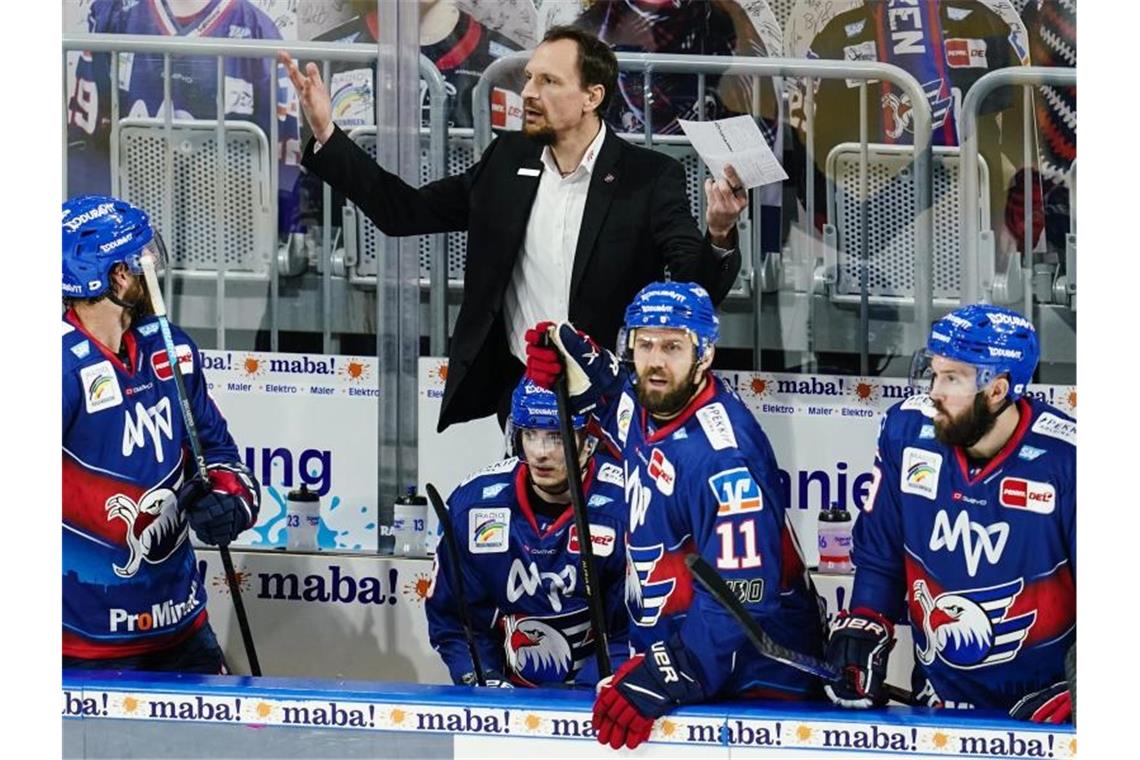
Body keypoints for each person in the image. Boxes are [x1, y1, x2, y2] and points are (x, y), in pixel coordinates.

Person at [280, 25, 748, 432]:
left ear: (592, 97)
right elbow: (404, 211)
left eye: (548, 81)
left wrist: (720, 232)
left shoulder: (648, 177)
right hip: (523, 392)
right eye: (529, 79)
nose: (528, 93)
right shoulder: (506, 161)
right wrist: (327, 134)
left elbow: (695, 289)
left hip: (613, 398)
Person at [525, 282, 825, 750]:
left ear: (704, 355)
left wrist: (664, 676)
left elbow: (741, 601)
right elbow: (617, 401)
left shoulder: (723, 460)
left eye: (672, 346)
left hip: (755, 687)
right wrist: (572, 366)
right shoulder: (653, 407)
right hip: (691, 664)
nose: (655, 361)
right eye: (644, 344)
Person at [824, 303, 1075, 723]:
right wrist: (867, 620)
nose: (934, 391)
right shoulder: (906, 433)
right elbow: (880, 556)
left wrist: (1079, 692)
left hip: (1042, 713)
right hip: (936, 709)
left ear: (997, 389)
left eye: (952, 378)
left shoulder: (1068, 460)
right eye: (934, 372)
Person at [62, 195, 261, 673]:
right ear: (115, 276)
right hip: (83, 647)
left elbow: (219, 453)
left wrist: (230, 499)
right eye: (140, 256)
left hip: (181, 629)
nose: (153, 264)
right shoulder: (56, 365)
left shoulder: (169, 347)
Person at [425, 378, 629, 687]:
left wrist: (592, 690)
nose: (540, 452)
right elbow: (455, 619)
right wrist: (483, 679)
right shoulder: (473, 506)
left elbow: (641, 626)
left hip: (600, 700)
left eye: (556, 436)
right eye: (530, 435)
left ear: (589, 441)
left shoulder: (627, 505)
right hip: (508, 701)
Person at [66, 0, 301, 232]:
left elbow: (282, 156)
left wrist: (286, 233)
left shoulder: (258, 31)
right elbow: (87, 144)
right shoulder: (114, 16)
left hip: (225, 235)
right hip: (133, 228)